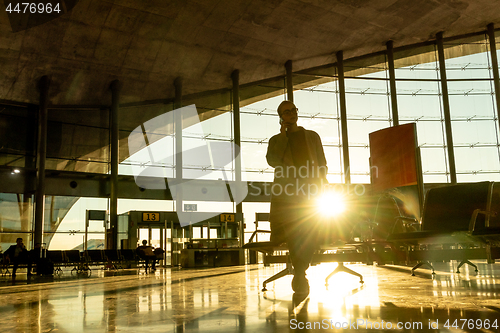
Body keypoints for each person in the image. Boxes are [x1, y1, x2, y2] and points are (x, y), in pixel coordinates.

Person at [266, 100, 328, 294]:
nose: (292, 113)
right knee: (294, 230)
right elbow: (273, 161)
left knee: (309, 229)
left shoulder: (312, 136)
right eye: (286, 112)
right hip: (287, 195)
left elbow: (322, 163)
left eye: (293, 110)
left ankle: (300, 272)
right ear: (281, 117)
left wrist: (322, 183)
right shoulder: (276, 140)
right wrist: (284, 136)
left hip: (310, 193)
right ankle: (300, 272)